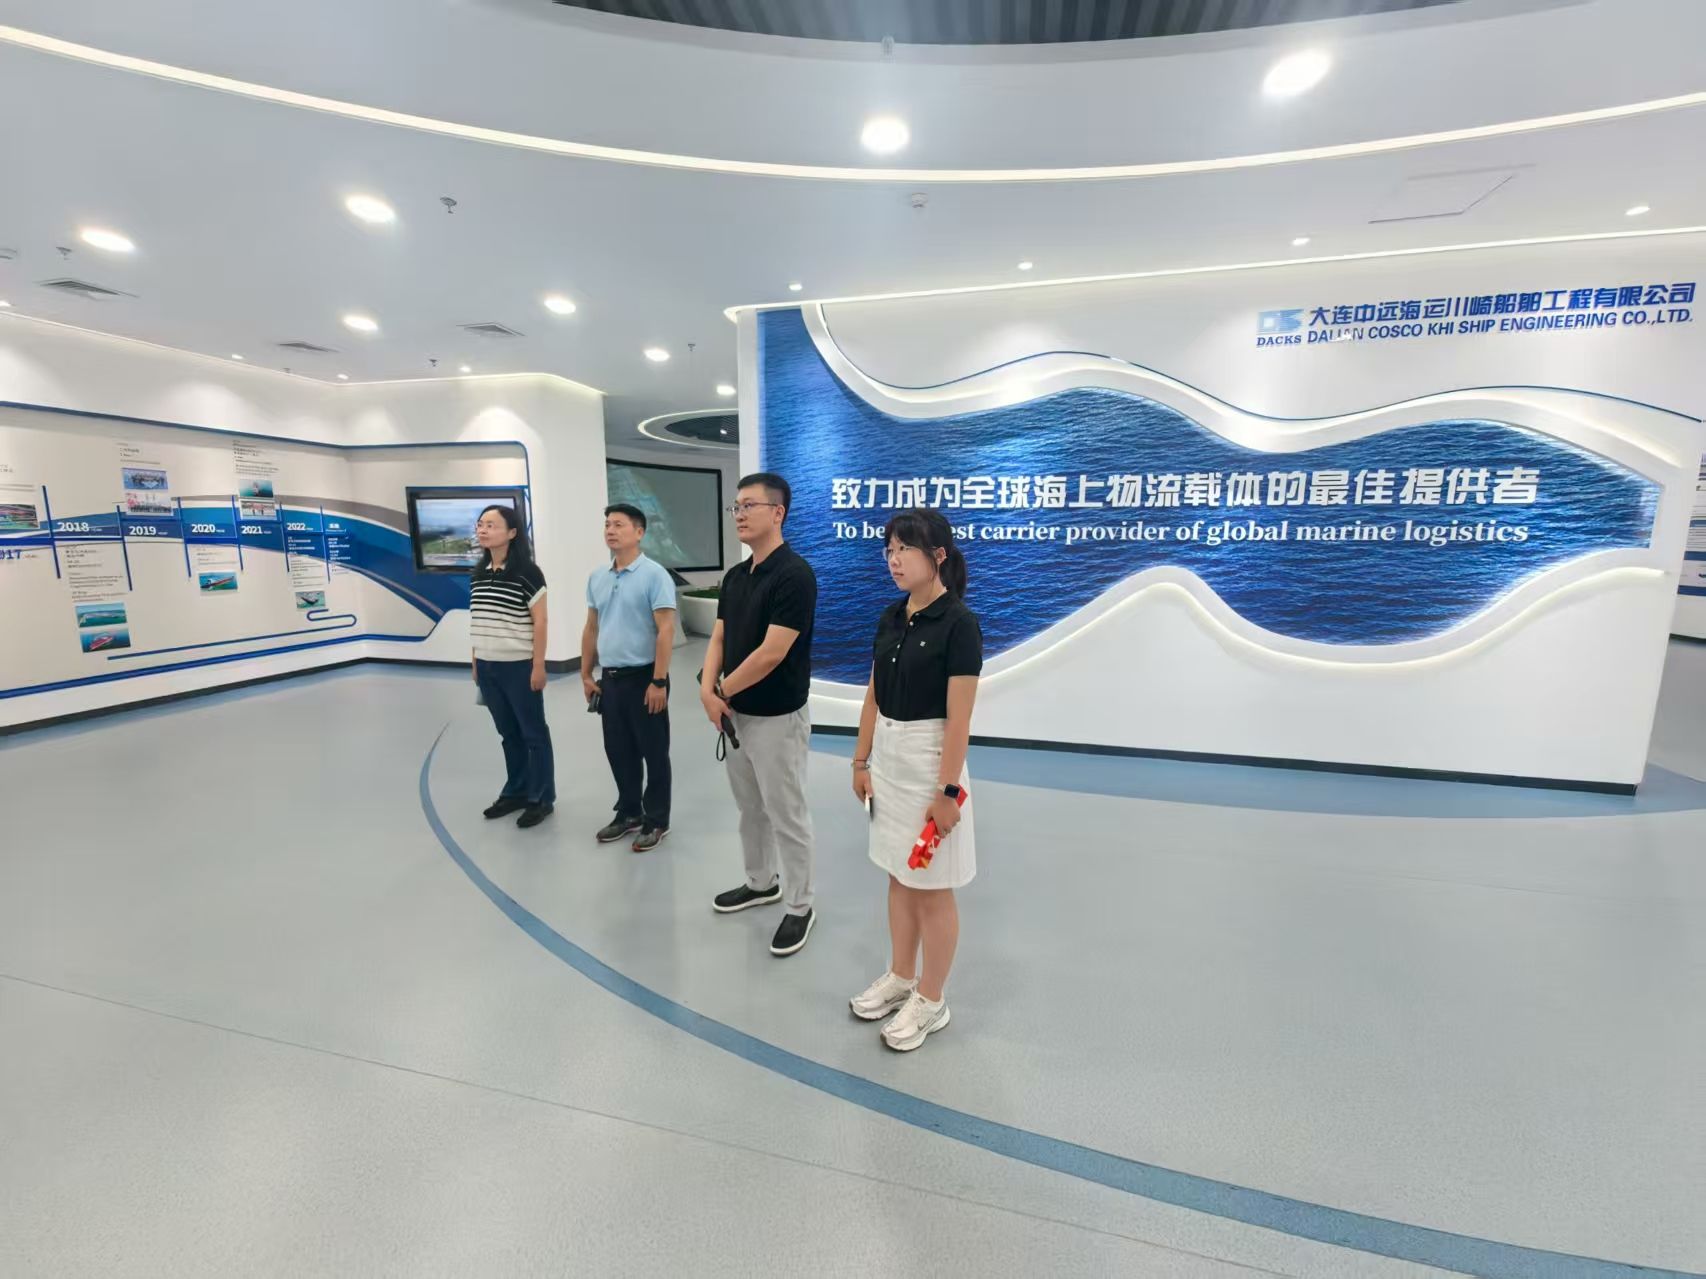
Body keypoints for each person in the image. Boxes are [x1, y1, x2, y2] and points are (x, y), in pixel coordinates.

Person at [849, 508, 981, 1052]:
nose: (894, 559)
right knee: (898, 876)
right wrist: (860, 762)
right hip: (889, 761)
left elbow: (959, 719)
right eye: (889, 549)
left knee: (931, 887)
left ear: (939, 556)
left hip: (931, 765)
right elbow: (874, 696)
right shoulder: (890, 616)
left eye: (905, 549)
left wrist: (947, 791)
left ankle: (932, 998)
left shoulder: (959, 624)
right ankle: (901, 976)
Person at [700, 472, 819, 957]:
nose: (740, 514)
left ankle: (800, 905)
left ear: (778, 512)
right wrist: (707, 690)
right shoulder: (736, 577)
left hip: (776, 718)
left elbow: (772, 653)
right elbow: (720, 637)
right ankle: (760, 882)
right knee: (750, 809)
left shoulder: (795, 575)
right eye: (736, 506)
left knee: (786, 813)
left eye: (749, 505)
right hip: (735, 715)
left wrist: (720, 690)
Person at [582, 503, 676, 852]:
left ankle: (657, 819)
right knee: (618, 750)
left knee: (654, 752)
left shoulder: (655, 575)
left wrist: (659, 681)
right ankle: (629, 812)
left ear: (639, 532)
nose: (610, 530)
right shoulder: (598, 577)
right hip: (611, 680)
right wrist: (585, 673)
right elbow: (592, 627)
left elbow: (666, 630)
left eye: (619, 524)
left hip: (645, 678)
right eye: (607, 524)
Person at [470, 504, 555, 828]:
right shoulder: (478, 574)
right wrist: (475, 660)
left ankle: (541, 798)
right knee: (508, 733)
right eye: (481, 524)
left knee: (533, 734)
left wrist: (538, 665)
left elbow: (540, 621)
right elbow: (479, 620)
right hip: (488, 667)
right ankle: (517, 791)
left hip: (519, 666)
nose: (483, 529)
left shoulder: (527, 573)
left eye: (491, 525)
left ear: (512, 532)